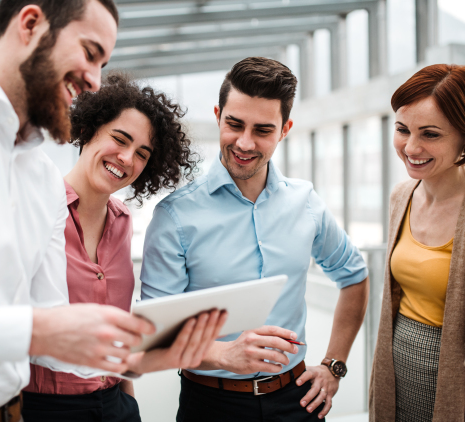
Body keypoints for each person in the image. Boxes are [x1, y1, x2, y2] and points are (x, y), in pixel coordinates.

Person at [0, 1, 215, 420]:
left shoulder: (35, 172)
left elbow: (57, 331)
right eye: (90, 53)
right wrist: (38, 332)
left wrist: (166, 357)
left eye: (103, 63)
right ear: (31, 23)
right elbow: (43, 331)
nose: (94, 81)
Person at [140, 57, 370, 422]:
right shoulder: (174, 216)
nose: (244, 143)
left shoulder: (305, 202)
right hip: (210, 407)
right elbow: (154, 332)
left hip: (298, 401)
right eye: (234, 124)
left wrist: (333, 365)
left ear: (285, 129)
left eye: (263, 129)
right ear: (218, 115)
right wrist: (223, 354)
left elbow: (354, 276)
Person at [21, 72, 227, 422]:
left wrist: (129, 405)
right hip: (46, 408)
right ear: (88, 130)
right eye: (120, 139)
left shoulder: (123, 222)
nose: (128, 158)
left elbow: (119, 329)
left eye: (142, 154)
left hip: (116, 404)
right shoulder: (37, 208)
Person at [369, 64, 465, 422]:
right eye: (402, 129)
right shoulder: (402, 195)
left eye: (430, 134)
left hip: (454, 382)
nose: (411, 147)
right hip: (396, 374)